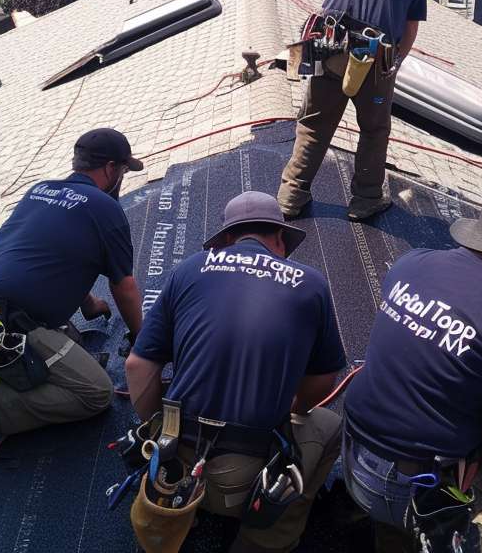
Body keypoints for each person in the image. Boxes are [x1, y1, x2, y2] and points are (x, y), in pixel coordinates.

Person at [125, 191, 347, 553]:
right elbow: (323, 381)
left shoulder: (188, 269)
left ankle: (178, 506)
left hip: (175, 469)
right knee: (329, 426)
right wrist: (291, 408)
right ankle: (265, 537)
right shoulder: (311, 284)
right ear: (279, 239)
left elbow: (137, 366)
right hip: (249, 479)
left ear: (227, 239)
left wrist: (159, 432)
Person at [342, 195, 482, 552]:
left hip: (353, 455)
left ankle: (392, 537)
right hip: (412, 489)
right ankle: (431, 531)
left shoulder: (411, 261)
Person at [0, 127, 146, 456]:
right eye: (123, 170)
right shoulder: (105, 208)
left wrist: (89, 303)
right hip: (2, 327)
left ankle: (10, 372)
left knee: (71, 341)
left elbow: (48, 253)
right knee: (95, 393)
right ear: (111, 169)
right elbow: (124, 286)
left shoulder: (41, 190)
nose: (122, 177)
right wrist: (143, 337)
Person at [278, 0, 427, 221]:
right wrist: (393, 64)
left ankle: (290, 197)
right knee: (374, 130)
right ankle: (365, 199)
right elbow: (410, 29)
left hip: (328, 43)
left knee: (314, 124)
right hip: (373, 54)